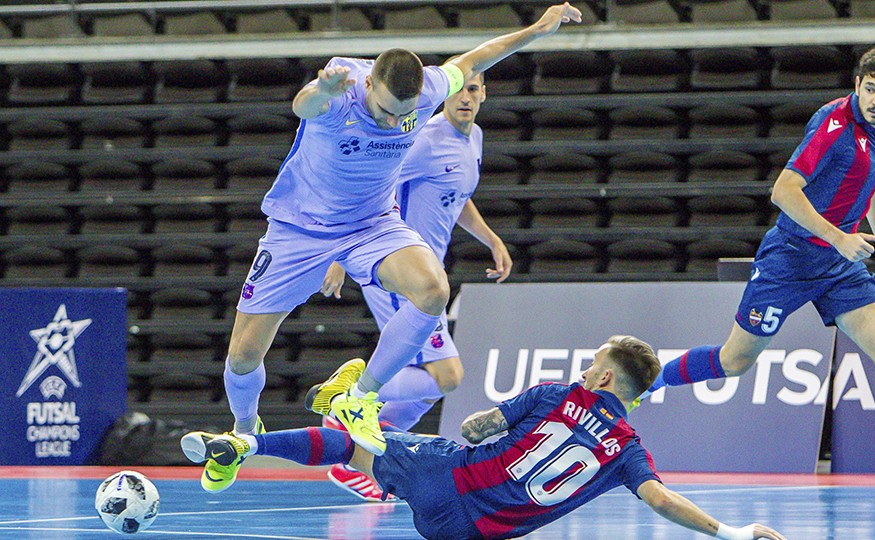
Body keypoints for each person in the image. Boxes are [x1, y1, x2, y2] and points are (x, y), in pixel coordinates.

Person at [200, 3, 581, 493]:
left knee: (431, 291)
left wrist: (539, 28)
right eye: (383, 111)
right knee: (243, 357)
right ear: (369, 88)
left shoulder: (425, 91)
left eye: (403, 115)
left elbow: (481, 56)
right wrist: (322, 89)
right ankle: (244, 433)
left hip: (372, 224)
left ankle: (359, 397)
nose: (391, 122)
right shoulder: (340, 93)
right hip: (299, 231)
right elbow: (303, 104)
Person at [638, 46, 875, 510]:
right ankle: (649, 383)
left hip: (837, 264)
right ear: (857, 84)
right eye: (870, 89)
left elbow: (872, 180)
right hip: (790, 258)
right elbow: (783, 190)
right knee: (734, 361)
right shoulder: (832, 125)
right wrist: (837, 236)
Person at [182, 336, 788, 540]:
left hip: (447, 477)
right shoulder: (627, 450)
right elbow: (660, 500)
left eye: (591, 363)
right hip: (473, 531)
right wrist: (730, 532)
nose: (584, 369)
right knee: (367, 449)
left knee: (352, 440)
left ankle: (259, 440)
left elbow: (478, 428)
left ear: (603, 376)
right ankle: (341, 422)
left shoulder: (558, 393)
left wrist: (491, 423)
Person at [317, 67, 512, 501]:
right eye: (460, 90)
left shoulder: (473, 138)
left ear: (484, 94)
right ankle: (345, 402)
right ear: (444, 95)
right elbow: (372, 185)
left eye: (475, 90)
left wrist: (492, 239)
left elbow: (456, 196)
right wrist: (339, 256)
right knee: (446, 376)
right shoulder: (424, 138)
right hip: (398, 272)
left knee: (424, 383)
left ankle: (359, 460)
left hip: (428, 275)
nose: (467, 97)